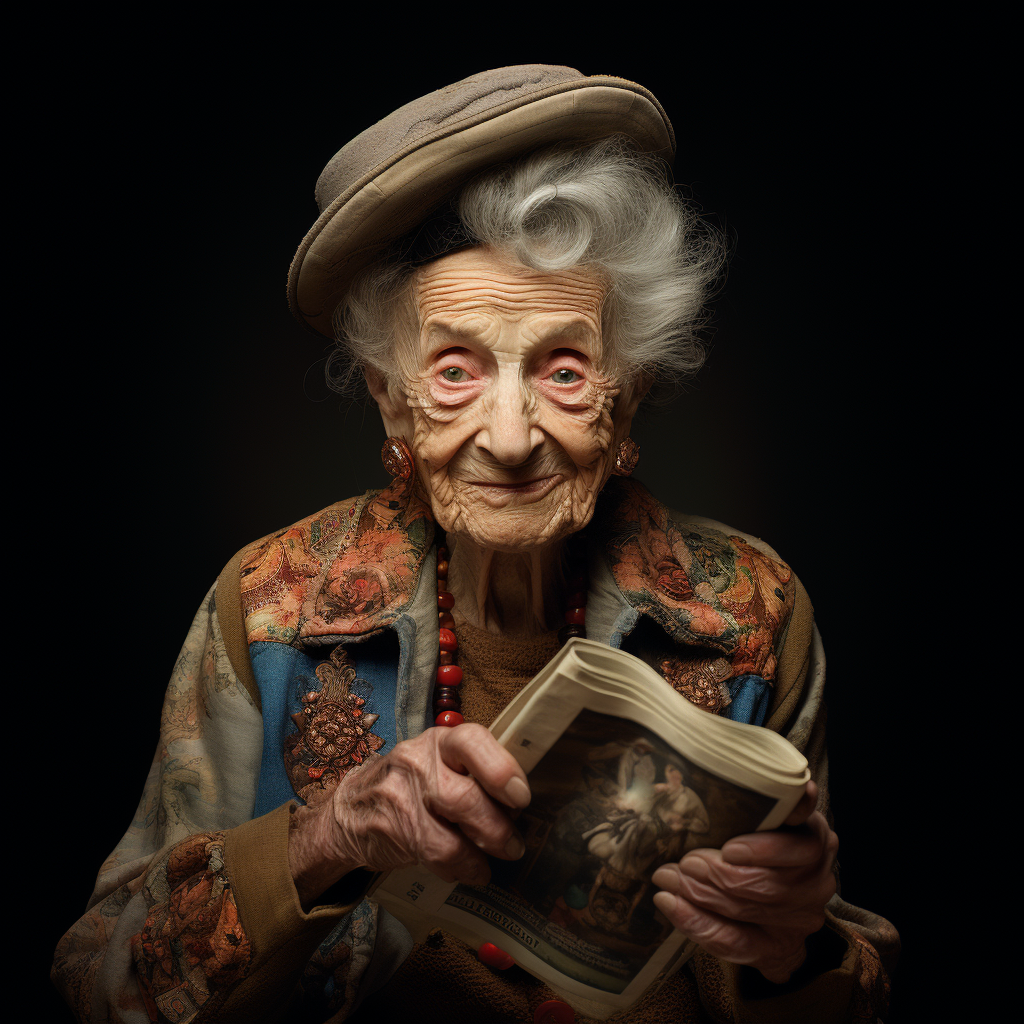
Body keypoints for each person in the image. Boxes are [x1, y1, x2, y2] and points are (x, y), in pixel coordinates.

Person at [52, 64, 898, 1023]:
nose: (508, 434)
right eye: (454, 370)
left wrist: (794, 951)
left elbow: (842, 989)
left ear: (631, 395)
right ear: (389, 396)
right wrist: (329, 836)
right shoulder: (270, 605)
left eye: (565, 370)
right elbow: (98, 984)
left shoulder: (752, 611)